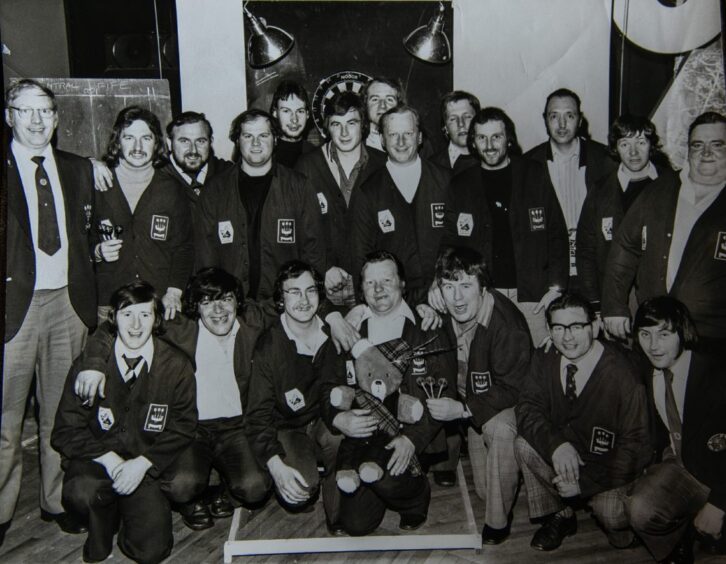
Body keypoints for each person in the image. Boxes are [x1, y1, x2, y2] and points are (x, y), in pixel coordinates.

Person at [71, 268, 274, 531]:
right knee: (180, 485)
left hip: (236, 428)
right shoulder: (181, 327)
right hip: (194, 429)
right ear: (196, 308)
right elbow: (115, 326)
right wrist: (95, 363)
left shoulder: (252, 322)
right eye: (206, 301)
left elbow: (295, 303)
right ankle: (191, 500)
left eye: (225, 299)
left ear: (238, 301)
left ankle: (226, 492)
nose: (218, 309)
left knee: (255, 487)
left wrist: (338, 318)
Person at [1, 79, 96, 544]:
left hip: (67, 304)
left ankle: (56, 500)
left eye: (45, 112)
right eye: (26, 111)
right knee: (5, 421)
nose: (37, 121)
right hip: (12, 311)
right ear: (9, 116)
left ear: (57, 119)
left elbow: (93, 233)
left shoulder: (79, 169)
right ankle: (0, 513)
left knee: (62, 413)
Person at [51, 281, 197, 563]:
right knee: (79, 492)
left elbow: (184, 426)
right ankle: (105, 516)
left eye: (145, 314)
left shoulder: (175, 365)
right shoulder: (89, 366)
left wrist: (142, 465)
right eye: (127, 314)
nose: (135, 324)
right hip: (99, 461)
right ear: (113, 318)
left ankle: (131, 511)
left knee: (152, 551)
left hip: (144, 464)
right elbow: (64, 431)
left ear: (156, 319)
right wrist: (110, 460)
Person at [327, 250, 456, 535]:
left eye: (386, 279)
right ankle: (380, 488)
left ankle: (416, 497)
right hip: (364, 439)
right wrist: (340, 418)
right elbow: (328, 386)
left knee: (387, 478)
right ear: (361, 289)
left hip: (410, 434)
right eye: (370, 283)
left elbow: (447, 395)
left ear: (402, 284)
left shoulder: (428, 326)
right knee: (355, 524)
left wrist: (412, 439)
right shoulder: (350, 330)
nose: (378, 289)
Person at [514, 293, 650, 552]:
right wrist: (556, 446)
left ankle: (625, 533)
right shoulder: (545, 357)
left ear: (596, 326)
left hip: (605, 465)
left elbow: (637, 446)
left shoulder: (623, 373)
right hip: (567, 452)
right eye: (558, 328)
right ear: (549, 331)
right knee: (524, 445)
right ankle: (561, 514)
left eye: (576, 327)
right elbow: (527, 408)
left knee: (610, 512)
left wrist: (584, 483)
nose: (567, 337)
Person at [436, 106, 568, 345]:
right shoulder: (461, 185)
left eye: (496, 136)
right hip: (483, 294)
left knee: (536, 362)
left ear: (508, 139)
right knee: (486, 364)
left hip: (532, 294)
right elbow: (449, 243)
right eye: (481, 138)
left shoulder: (534, 174)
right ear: (473, 142)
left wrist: (556, 288)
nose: (489, 145)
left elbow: (557, 234)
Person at [425, 247, 531, 544]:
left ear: (484, 288)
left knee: (499, 429)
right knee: (486, 490)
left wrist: (461, 411)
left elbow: (513, 389)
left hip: (508, 404)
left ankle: (498, 524)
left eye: (466, 286)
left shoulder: (508, 326)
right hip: (473, 398)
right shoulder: (444, 305)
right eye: (449, 287)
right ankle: (507, 471)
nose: (457, 298)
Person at [601, 111, 726, 352]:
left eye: (717, 145)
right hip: (654, 333)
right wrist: (614, 305)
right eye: (697, 145)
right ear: (688, 150)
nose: (706, 153)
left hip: (712, 342)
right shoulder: (661, 189)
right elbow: (625, 246)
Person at [244, 261, 344, 532]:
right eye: (294, 292)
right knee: (302, 488)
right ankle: (306, 470)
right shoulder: (269, 345)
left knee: (339, 439)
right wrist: (276, 466)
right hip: (288, 427)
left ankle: (338, 503)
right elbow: (257, 417)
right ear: (280, 299)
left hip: (324, 419)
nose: (303, 300)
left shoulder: (332, 332)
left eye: (310, 291)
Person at [627, 296, 726, 564]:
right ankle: (677, 542)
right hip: (682, 465)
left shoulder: (716, 373)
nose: (653, 345)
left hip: (720, 474)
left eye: (664, 334)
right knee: (640, 509)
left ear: (682, 332)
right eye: (645, 334)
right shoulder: (647, 370)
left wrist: (719, 502)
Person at [196, 109, 326, 300]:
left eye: (263, 135)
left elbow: (314, 251)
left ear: (275, 139)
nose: (256, 143)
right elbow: (205, 256)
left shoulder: (299, 186)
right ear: (237, 141)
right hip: (231, 306)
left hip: (284, 305)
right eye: (248, 136)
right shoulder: (215, 190)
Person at [93, 106, 194, 322]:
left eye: (146, 138)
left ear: (156, 142)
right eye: (129, 137)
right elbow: (79, 238)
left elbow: (184, 247)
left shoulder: (172, 189)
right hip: (109, 303)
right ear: (117, 141)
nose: (138, 146)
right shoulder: (97, 183)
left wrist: (174, 292)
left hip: (157, 303)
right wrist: (98, 250)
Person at [349, 104, 455, 306]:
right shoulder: (368, 191)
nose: (401, 141)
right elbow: (361, 258)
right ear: (382, 140)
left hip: (443, 295)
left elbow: (455, 240)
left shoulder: (445, 180)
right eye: (393, 135)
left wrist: (442, 281)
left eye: (408, 133)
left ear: (420, 137)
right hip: (395, 304)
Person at [295, 91, 386, 306]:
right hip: (324, 290)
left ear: (363, 124)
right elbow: (299, 230)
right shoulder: (307, 166)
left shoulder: (383, 165)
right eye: (336, 124)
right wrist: (322, 269)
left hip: (374, 288)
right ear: (327, 127)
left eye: (351, 123)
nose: (344, 132)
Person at [577, 114, 673, 311]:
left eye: (640, 142)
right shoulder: (601, 190)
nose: (633, 152)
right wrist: (594, 302)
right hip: (614, 296)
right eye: (624, 144)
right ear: (615, 148)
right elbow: (586, 250)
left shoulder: (672, 184)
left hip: (661, 293)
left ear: (651, 145)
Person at [525, 88, 616, 288]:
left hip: (595, 272)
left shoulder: (605, 160)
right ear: (545, 120)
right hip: (550, 276)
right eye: (554, 116)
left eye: (569, 115)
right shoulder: (529, 163)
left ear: (580, 120)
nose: (562, 124)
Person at [428, 90, 480, 175]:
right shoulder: (431, 167)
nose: (461, 124)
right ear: (445, 127)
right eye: (453, 119)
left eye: (467, 117)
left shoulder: (492, 161)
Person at [270, 80, 316, 168]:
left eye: (300, 111)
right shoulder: (264, 154)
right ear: (275, 113)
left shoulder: (316, 155)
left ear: (307, 114)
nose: (294, 119)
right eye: (286, 111)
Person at [362, 76, 405, 155]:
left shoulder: (415, 141)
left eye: (389, 99)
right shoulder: (354, 140)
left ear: (399, 105)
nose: (382, 106)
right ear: (366, 104)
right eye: (375, 99)